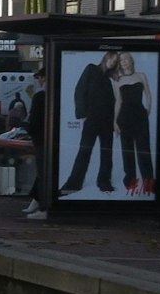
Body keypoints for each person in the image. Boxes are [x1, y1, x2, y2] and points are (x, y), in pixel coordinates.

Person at [61, 51, 120, 196]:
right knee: (84, 151)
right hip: (92, 119)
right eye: (111, 57)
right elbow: (79, 90)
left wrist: (115, 122)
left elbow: (113, 102)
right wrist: (83, 114)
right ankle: (74, 183)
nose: (113, 61)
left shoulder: (109, 79)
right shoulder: (91, 69)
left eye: (115, 59)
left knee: (107, 153)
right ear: (106, 57)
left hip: (106, 121)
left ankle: (104, 181)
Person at [112, 53, 155, 195]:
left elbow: (148, 94)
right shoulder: (118, 80)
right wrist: (114, 122)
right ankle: (130, 182)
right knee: (127, 150)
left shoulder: (141, 75)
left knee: (144, 149)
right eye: (121, 60)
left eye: (125, 59)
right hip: (124, 117)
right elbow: (118, 102)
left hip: (140, 115)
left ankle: (149, 183)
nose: (123, 62)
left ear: (131, 61)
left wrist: (148, 108)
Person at [25, 71, 50, 220]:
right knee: (43, 172)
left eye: (41, 77)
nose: (39, 81)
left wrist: (28, 129)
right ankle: (37, 200)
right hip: (54, 141)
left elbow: (33, 122)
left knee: (42, 172)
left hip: (41, 141)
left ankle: (42, 205)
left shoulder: (40, 97)